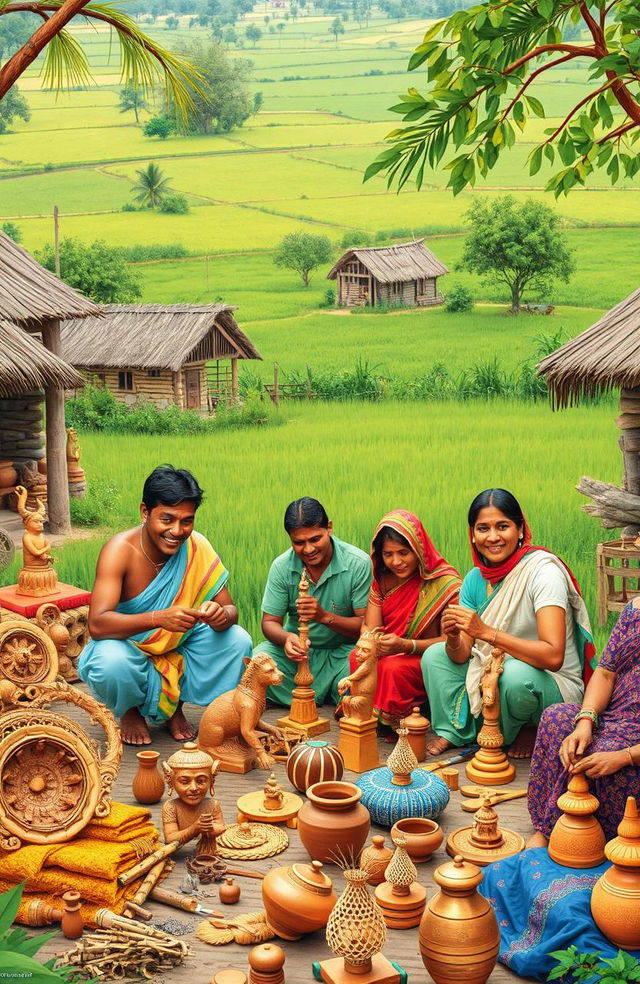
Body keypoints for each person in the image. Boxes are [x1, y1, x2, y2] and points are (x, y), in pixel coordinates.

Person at [79, 465, 252, 745]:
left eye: (187, 521)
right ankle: (130, 711)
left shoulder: (197, 546)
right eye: (167, 519)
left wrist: (221, 615)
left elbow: (232, 610)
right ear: (145, 512)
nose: (177, 531)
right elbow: (98, 624)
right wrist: (158, 618)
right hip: (128, 645)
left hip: (177, 640)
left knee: (236, 640)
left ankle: (175, 708)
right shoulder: (119, 550)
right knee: (108, 662)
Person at [421, 488, 594, 759]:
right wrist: (454, 637)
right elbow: (462, 654)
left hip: (550, 681)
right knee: (435, 655)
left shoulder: (542, 573)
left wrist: (486, 632)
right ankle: (456, 732)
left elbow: (553, 656)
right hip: (495, 671)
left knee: (512, 675)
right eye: (483, 528)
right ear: (473, 535)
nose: (493, 537)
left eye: (503, 526)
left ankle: (529, 726)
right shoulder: (475, 580)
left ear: (521, 529)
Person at [528, 598, 640, 846]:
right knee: (556, 718)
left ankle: (573, 835)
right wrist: (586, 721)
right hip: (616, 715)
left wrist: (626, 756)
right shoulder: (635, 610)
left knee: (602, 753)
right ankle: (551, 825)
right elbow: (606, 672)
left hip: (635, 741)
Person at [253, 496, 371, 706]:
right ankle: (333, 699)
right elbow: (270, 622)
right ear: (290, 539)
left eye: (315, 539)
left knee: (368, 667)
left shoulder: (358, 563)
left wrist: (323, 616)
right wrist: (287, 638)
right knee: (257, 661)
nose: (308, 550)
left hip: (343, 654)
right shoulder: (281, 566)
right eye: (299, 543)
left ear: (330, 528)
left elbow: (366, 627)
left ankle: (310, 697)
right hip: (297, 656)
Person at [355, 509, 461, 730]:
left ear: (419, 550)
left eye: (404, 552)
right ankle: (363, 713)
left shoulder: (445, 584)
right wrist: (371, 640)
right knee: (357, 657)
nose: (396, 561)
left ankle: (396, 718)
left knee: (394, 669)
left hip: (424, 656)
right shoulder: (383, 579)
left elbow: (452, 642)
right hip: (389, 652)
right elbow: (373, 628)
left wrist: (406, 645)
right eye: (388, 554)